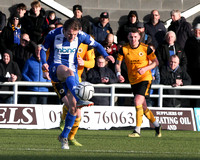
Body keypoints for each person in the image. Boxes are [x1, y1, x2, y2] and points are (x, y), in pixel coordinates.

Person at [40, 18, 114, 149]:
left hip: (72, 74)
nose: (72, 37)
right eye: (69, 34)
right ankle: (80, 98)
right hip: (56, 68)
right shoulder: (53, 34)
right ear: (64, 30)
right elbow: (42, 49)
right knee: (69, 72)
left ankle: (64, 136)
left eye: (74, 34)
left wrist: (106, 55)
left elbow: (97, 44)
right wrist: (43, 63)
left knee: (73, 109)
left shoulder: (81, 35)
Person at [115, 28, 161, 137]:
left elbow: (156, 62)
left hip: (145, 78)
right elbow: (117, 64)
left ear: (139, 37)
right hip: (133, 80)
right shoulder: (124, 49)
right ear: (128, 37)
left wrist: (145, 69)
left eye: (135, 37)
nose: (133, 39)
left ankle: (137, 130)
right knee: (143, 107)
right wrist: (118, 74)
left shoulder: (146, 49)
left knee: (137, 101)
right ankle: (157, 125)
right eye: (131, 37)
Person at [48, 43, 95, 147]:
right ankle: (64, 120)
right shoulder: (61, 40)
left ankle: (70, 137)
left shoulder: (86, 45)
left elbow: (92, 63)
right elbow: (48, 53)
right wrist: (45, 69)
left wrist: (84, 62)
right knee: (70, 105)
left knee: (77, 111)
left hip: (75, 80)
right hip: (59, 79)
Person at [184, 23, 200, 107]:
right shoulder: (189, 41)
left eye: (199, 31)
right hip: (192, 71)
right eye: (196, 31)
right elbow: (186, 55)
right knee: (193, 91)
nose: (197, 33)